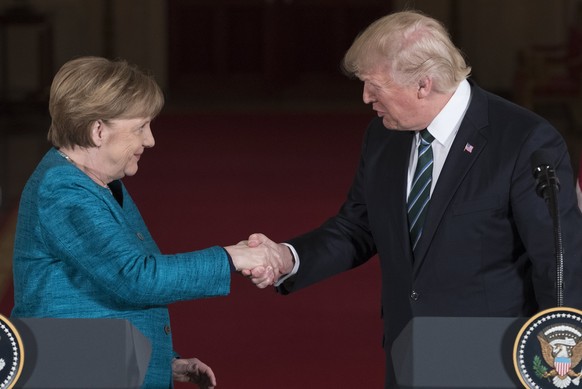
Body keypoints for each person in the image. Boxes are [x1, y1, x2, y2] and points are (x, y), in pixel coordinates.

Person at [245, 10, 582, 388]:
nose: (365, 97)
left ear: (424, 84)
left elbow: (559, 264)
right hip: (409, 354)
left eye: (374, 85)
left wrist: (560, 373)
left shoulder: (525, 141)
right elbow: (357, 226)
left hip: (495, 359)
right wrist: (288, 257)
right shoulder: (383, 135)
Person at [10, 56, 278, 389]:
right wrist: (232, 257)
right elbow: (135, 277)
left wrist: (162, 362)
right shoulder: (63, 191)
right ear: (98, 130)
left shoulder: (94, 182)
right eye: (140, 127)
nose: (150, 140)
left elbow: (96, 289)